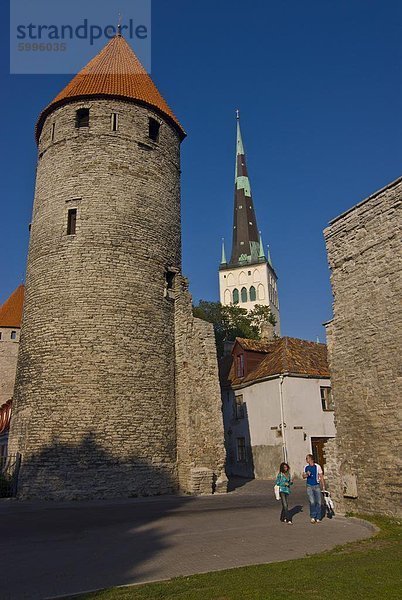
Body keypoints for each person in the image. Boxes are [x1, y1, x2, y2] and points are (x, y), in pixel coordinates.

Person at [303, 454, 325, 523]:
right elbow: (303, 476)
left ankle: (318, 517)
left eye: (307, 458)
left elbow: (321, 476)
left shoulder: (317, 466)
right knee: (312, 501)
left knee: (318, 502)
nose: (306, 460)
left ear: (311, 459)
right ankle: (313, 516)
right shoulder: (306, 467)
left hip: (316, 485)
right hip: (309, 485)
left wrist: (323, 486)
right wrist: (306, 474)